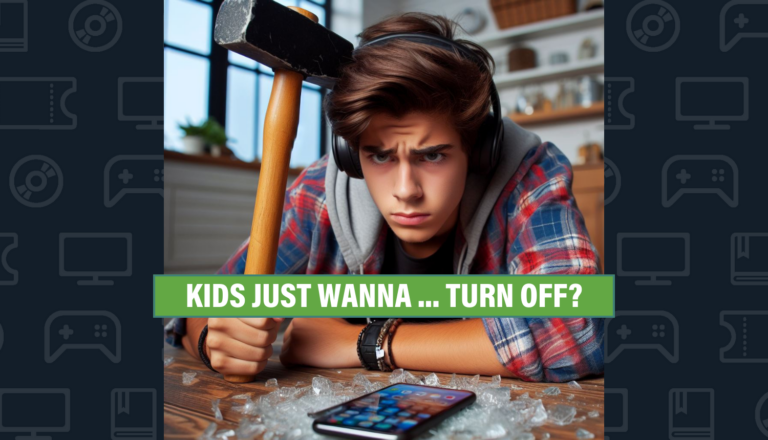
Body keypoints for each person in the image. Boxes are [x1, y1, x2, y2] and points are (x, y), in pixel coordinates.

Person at [166, 13, 604, 383]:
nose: (405, 190)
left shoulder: (529, 172)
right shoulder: (323, 189)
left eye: (432, 155)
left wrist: (364, 344)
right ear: (351, 154)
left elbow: (577, 327)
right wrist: (214, 339)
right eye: (379, 156)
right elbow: (196, 309)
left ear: (477, 148)